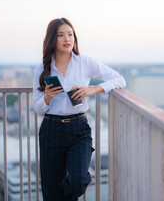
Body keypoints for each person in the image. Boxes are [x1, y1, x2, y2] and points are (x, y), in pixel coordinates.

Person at [33, 17, 126, 201]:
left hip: (79, 129)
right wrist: (47, 97)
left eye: (70, 34)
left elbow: (119, 79)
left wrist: (92, 89)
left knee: (76, 182)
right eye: (61, 35)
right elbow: (38, 108)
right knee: (51, 193)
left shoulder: (85, 62)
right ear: (52, 39)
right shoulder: (42, 69)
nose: (67, 39)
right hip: (51, 130)